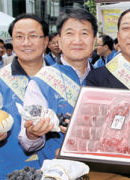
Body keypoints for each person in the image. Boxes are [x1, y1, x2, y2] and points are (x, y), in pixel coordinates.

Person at [18, 8, 97, 162]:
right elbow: (27, 143)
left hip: (103, 172)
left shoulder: (104, 78)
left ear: (93, 41)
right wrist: (33, 133)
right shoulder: (42, 81)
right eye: (70, 33)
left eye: (84, 34)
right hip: (59, 174)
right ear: (59, 41)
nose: (77, 40)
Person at [0, 14, 49, 180]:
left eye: (33, 36)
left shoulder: (59, 77)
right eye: (19, 37)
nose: (26, 42)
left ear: (46, 41)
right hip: (14, 175)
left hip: (58, 171)